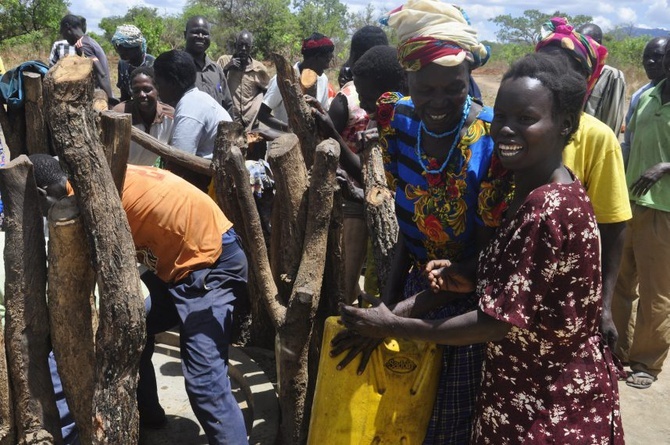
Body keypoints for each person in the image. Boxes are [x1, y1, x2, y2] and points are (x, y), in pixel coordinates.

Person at [339, 51, 624, 445]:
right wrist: (471, 272)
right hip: (533, 393)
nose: (506, 130)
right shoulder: (551, 190)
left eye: (526, 119)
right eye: (502, 117)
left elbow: (497, 322)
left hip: (546, 407)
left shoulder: (544, 209)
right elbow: (529, 278)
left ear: (566, 125)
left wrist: (393, 325)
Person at [331, 2, 510, 443]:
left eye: (454, 87)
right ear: (406, 80)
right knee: (399, 416)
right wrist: (388, 308)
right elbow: (410, 233)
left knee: (448, 425)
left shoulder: (490, 141)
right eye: (424, 89)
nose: (438, 102)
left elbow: (482, 255)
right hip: (415, 290)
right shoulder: (398, 120)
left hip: (469, 311)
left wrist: (392, 318)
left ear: (470, 76)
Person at [32, 155, 249, 445]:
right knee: (134, 322)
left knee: (205, 383)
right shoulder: (92, 180)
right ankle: (148, 413)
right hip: (182, 264)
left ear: (42, 194)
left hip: (211, 264)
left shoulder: (84, 203)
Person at [535, 17, 631, 351]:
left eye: (569, 70)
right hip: (513, 284)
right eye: (545, 66)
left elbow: (613, 224)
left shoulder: (597, 137)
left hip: (570, 291)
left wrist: (604, 306)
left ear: (586, 80)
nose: (554, 77)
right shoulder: (511, 123)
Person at [312, 44, 406, 304]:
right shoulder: (379, 118)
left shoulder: (404, 124)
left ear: (387, 90)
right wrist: (330, 130)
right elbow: (371, 177)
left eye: (366, 95)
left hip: (404, 238)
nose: (362, 102)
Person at [612, 37, 670, 390]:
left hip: (664, 211)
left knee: (656, 291)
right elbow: (627, 143)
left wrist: (666, 165)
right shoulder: (645, 95)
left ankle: (646, 362)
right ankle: (616, 350)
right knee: (619, 281)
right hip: (630, 202)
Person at [327, 26, 389, 304]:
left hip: (354, 191)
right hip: (366, 192)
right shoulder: (379, 95)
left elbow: (327, 145)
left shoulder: (349, 96)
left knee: (349, 273)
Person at [153, 49, 232, 190]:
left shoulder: (190, 107)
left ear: (172, 82)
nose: (157, 89)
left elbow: (179, 163)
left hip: (210, 184)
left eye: (158, 83)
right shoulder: (197, 98)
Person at [257, 32, 334, 132]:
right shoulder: (283, 79)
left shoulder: (323, 79)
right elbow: (262, 114)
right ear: (316, 57)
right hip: (284, 144)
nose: (327, 66)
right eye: (326, 60)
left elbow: (323, 111)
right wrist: (290, 129)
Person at [621, 36, 669, 165]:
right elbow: (628, 143)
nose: (649, 62)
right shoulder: (639, 96)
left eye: (657, 56)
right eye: (646, 57)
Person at [112, 67, 174, 166]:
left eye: (147, 89)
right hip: (122, 172)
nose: (141, 95)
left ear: (157, 90)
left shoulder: (169, 117)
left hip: (150, 175)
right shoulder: (120, 115)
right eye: (136, 91)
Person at [577, 23, 627, 134]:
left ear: (598, 44)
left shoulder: (612, 76)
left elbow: (613, 119)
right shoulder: (575, 71)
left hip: (594, 143)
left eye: (587, 43)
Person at [217, 30, 269, 131]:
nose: (243, 49)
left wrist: (256, 109)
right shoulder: (224, 61)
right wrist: (226, 69)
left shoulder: (259, 68)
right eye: (240, 45)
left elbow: (267, 92)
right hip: (229, 122)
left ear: (251, 48)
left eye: (247, 46)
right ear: (235, 45)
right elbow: (216, 87)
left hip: (251, 125)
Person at [184, 16, 234, 116]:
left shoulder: (216, 70)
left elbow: (227, 105)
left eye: (205, 33)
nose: (201, 36)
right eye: (195, 32)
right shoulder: (175, 67)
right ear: (185, 35)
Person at [59, 14, 114, 101]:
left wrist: (110, 100)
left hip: (100, 96)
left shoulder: (81, 45)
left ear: (67, 27)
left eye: (63, 33)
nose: (64, 37)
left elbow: (101, 74)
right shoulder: (88, 40)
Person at [111, 24, 155, 103]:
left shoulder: (152, 64)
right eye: (119, 49)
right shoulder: (123, 64)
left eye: (126, 50)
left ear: (137, 48)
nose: (121, 53)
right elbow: (125, 97)